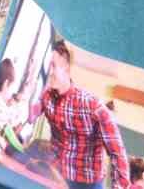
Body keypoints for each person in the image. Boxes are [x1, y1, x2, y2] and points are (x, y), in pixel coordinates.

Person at [36, 40, 132, 189]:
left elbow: (117, 152)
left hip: (89, 183)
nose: (49, 71)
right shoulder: (46, 97)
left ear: (66, 67)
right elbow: (30, 116)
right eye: (47, 65)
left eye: (53, 65)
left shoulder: (92, 106)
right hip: (58, 175)